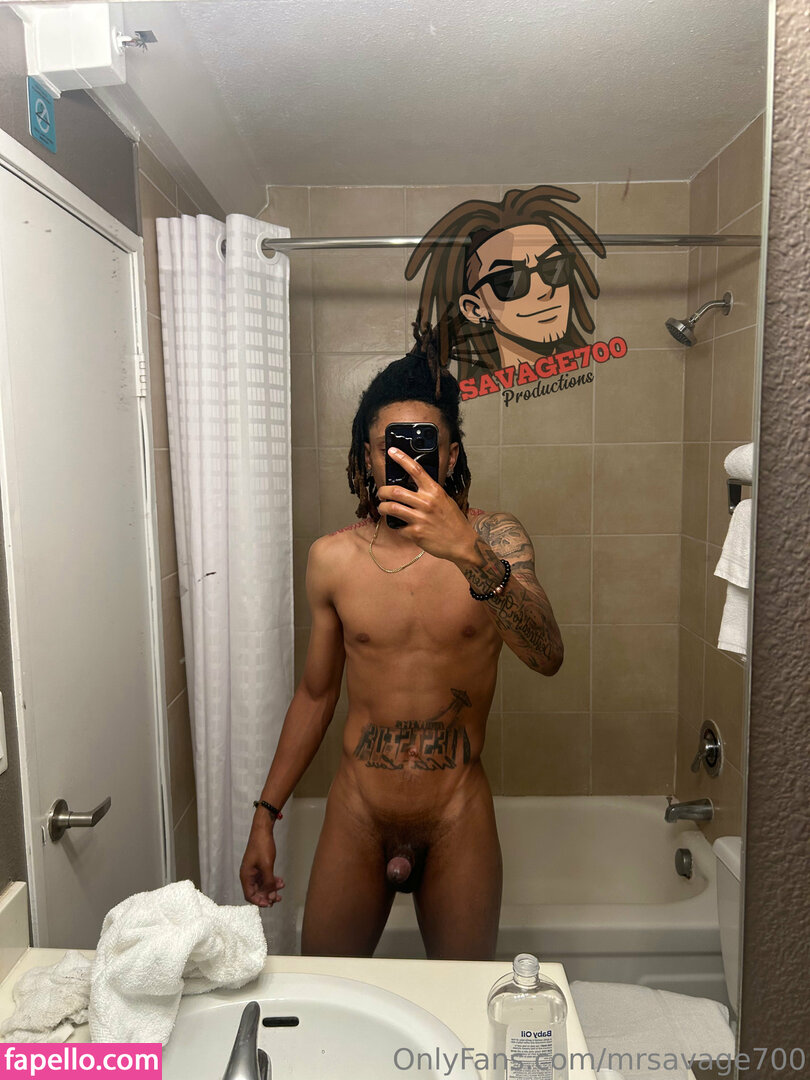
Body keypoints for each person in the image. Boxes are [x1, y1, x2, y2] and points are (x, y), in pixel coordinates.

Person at [239, 342, 563, 959]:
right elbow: (315, 695)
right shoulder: (332, 559)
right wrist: (264, 815)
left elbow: (548, 655)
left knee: (459, 1002)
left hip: (456, 812)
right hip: (358, 812)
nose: (406, 462)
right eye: (390, 448)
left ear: (451, 454)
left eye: (423, 446)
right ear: (367, 456)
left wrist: (468, 553)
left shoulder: (496, 540)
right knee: (325, 993)